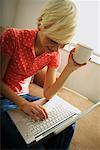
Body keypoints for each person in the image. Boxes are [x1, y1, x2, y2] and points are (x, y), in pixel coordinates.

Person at [0, 0, 87, 149]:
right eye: (53, 40)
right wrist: (23, 104)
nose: (55, 48)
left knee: (69, 124)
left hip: (25, 97)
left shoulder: (53, 54)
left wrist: (70, 68)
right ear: (40, 23)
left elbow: (48, 93)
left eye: (62, 43)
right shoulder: (12, 37)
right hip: (3, 99)